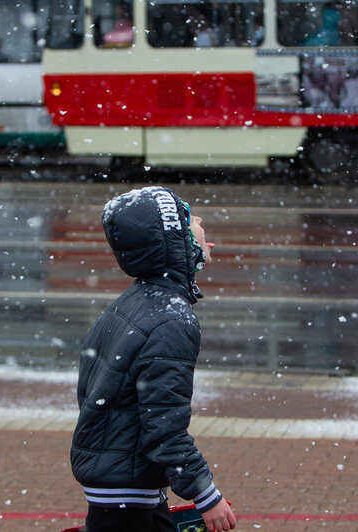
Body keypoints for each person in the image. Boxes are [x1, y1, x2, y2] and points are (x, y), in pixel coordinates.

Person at [71, 186, 236, 532]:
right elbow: (164, 427)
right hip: (127, 493)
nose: (202, 223)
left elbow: (94, 391)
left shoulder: (136, 300)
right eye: (192, 221)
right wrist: (205, 495)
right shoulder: (171, 319)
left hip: (117, 483)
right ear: (178, 243)